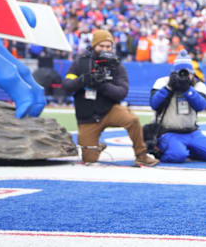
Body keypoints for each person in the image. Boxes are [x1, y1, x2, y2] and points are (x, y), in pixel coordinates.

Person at [63, 29, 159, 166]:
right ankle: (98, 147)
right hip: (88, 116)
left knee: (132, 120)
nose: (105, 49)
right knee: (89, 159)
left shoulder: (117, 66)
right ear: (94, 45)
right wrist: (84, 80)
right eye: (101, 46)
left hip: (109, 110)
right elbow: (66, 86)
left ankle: (141, 155)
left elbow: (122, 92)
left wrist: (101, 85)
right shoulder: (80, 63)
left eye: (108, 46)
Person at [149, 51, 206, 163]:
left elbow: (201, 106)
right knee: (178, 156)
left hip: (192, 132)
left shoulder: (199, 86)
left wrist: (188, 90)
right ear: (173, 73)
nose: (183, 76)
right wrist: (169, 88)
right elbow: (154, 104)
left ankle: (186, 149)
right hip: (168, 132)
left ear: (192, 74)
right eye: (179, 72)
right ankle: (161, 153)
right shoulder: (163, 82)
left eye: (187, 73)